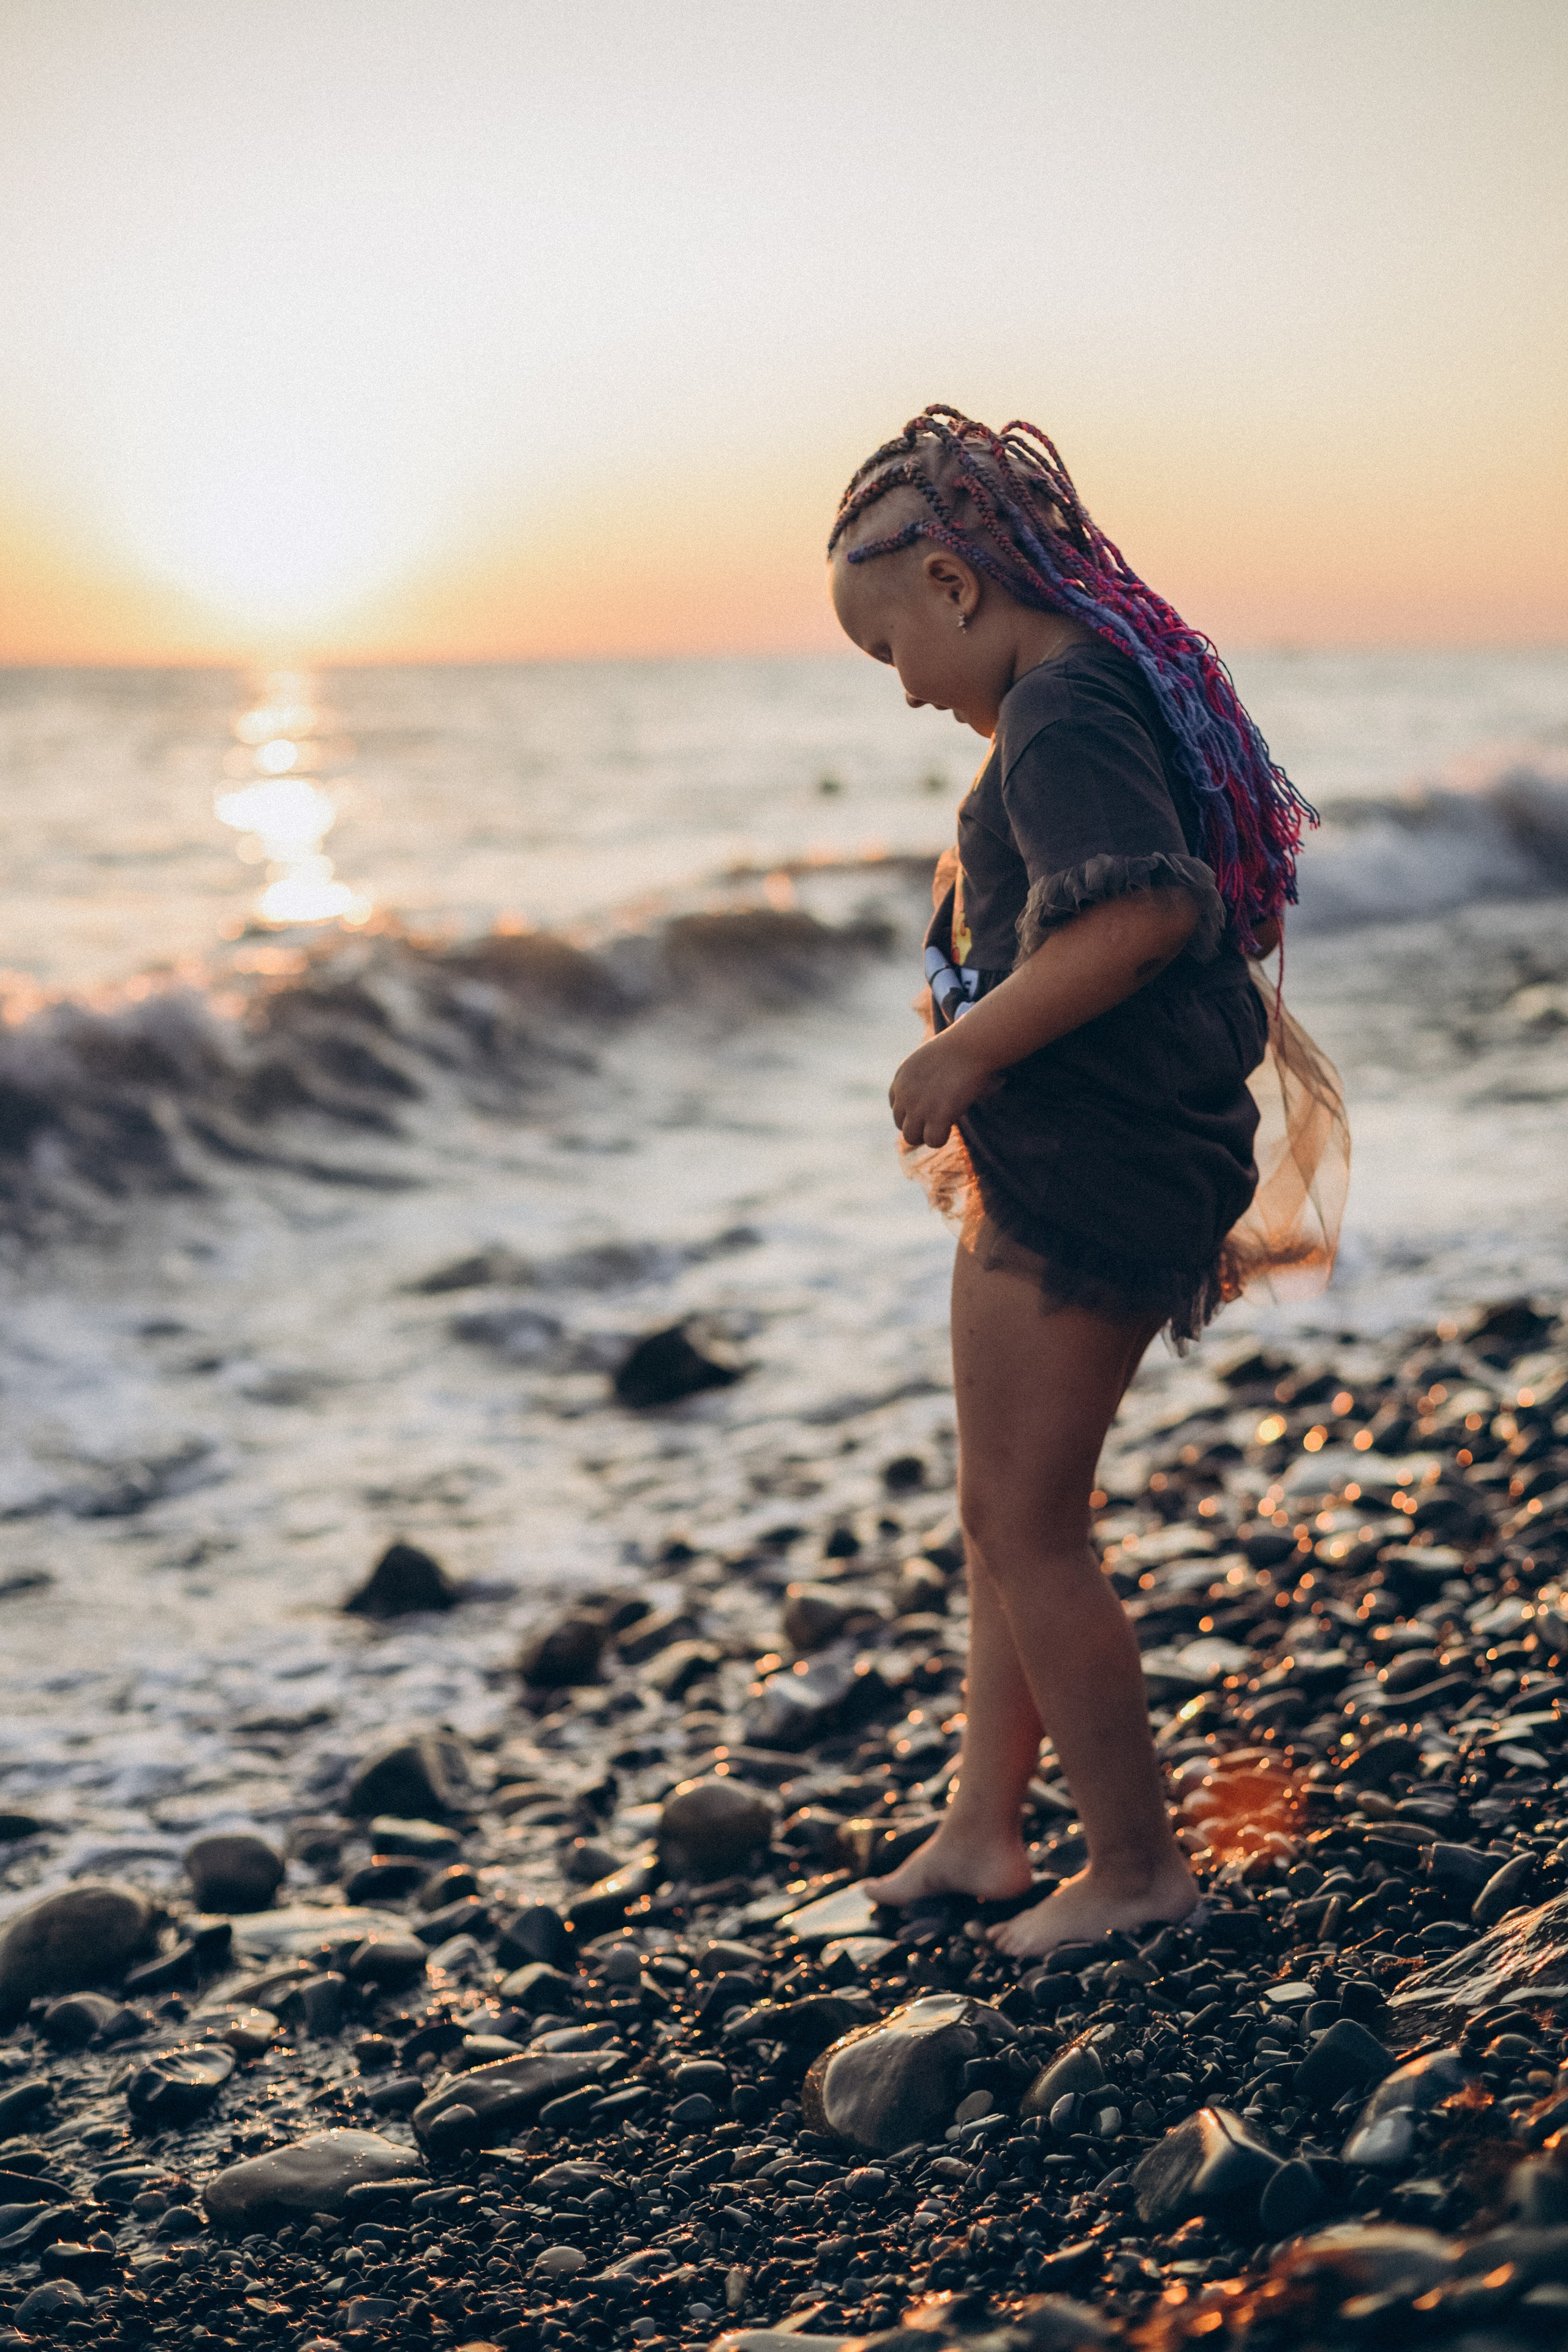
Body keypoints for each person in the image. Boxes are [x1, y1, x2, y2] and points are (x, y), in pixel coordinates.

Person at [827, 406, 1344, 1958]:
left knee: (1025, 1522)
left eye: (892, 645)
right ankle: (984, 1832)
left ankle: (1133, 1868)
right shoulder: (1090, 690)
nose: (906, 687)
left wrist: (962, 1053)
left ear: (952, 580)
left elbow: (1139, 922)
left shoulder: (1059, 714)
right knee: (1009, 1516)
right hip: (1087, 1156)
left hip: (1085, 1164)